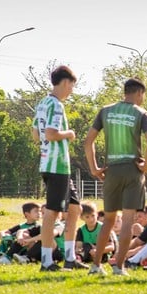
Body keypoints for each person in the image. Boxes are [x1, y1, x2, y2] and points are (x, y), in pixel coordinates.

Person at [85, 77, 147, 276]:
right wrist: (146, 166)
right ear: (140, 93)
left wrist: (94, 168)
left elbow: (88, 141)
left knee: (108, 221)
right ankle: (119, 267)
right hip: (133, 171)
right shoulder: (141, 113)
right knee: (127, 221)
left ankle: (96, 266)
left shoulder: (105, 111)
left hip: (111, 171)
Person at [32, 65, 88, 272]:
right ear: (65, 82)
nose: (71, 90)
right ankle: (46, 261)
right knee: (53, 212)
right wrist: (69, 134)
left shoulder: (42, 103)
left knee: (75, 209)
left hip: (50, 163)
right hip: (57, 165)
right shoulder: (56, 105)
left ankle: (71, 258)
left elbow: (35, 134)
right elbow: (52, 133)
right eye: (72, 86)